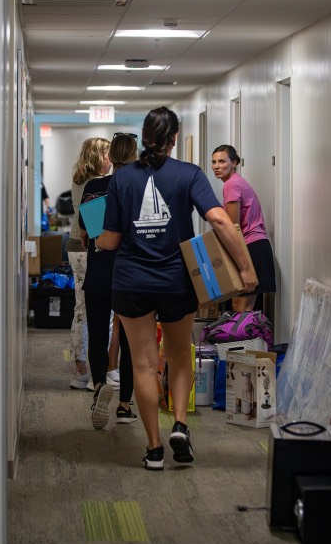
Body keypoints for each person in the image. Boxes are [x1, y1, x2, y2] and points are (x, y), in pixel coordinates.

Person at [97, 107, 257, 470]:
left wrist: (98, 239)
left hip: (131, 282)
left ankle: (153, 448)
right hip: (176, 281)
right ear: (173, 140)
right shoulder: (190, 174)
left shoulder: (122, 179)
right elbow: (218, 219)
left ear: (144, 135)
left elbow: (110, 239)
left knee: (141, 364)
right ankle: (181, 426)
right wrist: (246, 268)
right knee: (180, 355)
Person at [81, 133, 138, 429]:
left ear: (110, 158)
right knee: (129, 341)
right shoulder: (138, 188)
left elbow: (86, 234)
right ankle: (125, 405)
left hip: (98, 275)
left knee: (98, 336)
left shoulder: (93, 188)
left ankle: (100, 385)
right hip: (129, 276)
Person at [210, 145, 277, 312]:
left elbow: (232, 226)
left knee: (240, 307)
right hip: (255, 246)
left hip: (251, 247)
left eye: (222, 161)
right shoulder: (235, 182)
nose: (217, 166)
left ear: (234, 163)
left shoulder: (231, 185)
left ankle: (241, 339)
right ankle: (245, 338)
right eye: (214, 162)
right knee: (244, 308)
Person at [66, 137, 110, 391]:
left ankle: (82, 368)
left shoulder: (79, 178)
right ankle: (93, 372)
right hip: (86, 247)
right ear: (97, 157)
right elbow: (93, 224)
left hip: (77, 246)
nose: (110, 161)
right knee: (94, 311)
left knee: (81, 308)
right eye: (106, 155)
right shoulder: (93, 183)